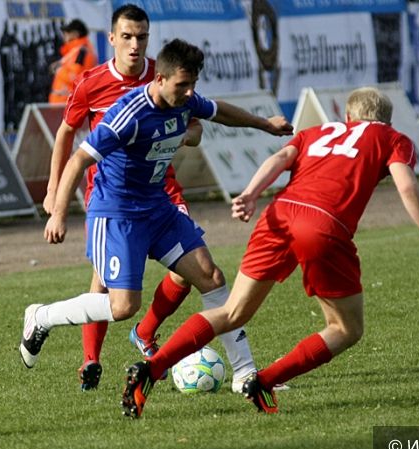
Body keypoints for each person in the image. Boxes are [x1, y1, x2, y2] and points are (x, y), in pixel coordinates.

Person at [120, 87, 419, 418]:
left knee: (232, 311)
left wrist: (251, 193)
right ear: (387, 121)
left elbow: (280, 158)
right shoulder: (392, 138)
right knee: (346, 329)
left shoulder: (317, 131)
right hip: (322, 225)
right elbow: (407, 185)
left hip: (278, 215)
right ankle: (265, 381)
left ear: (347, 116)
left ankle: (152, 368)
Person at [20, 39, 294, 392]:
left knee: (211, 277)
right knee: (122, 306)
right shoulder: (128, 114)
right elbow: (78, 160)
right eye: (183, 85)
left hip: (158, 207)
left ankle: (245, 375)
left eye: (193, 84)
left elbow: (218, 111)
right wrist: (58, 213)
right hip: (117, 213)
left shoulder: (184, 98)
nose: (190, 92)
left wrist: (264, 124)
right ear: (160, 79)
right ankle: (42, 316)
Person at [48, 19, 97, 104]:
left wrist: (58, 70)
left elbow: (74, 77)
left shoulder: (81, 51)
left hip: (68, 103)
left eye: (67, 32)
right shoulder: (76, 50)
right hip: (65, 102)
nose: (64, 35)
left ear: (76, 34)